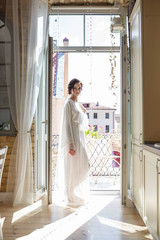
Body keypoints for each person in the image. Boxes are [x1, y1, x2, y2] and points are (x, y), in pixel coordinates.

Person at [54, 78, 90, 206]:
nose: (77, 90)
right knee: (72, 167)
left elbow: (83, 124)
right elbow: (67, 125)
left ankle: (74, 191)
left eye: (79, 88)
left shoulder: (77, 104)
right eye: (75, 88)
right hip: (73, 138)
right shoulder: (68, 103)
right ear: (71, 89)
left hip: (80, 137)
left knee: (83, 165)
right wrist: (71, 144)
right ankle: (69, 194)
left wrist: (83, 112)